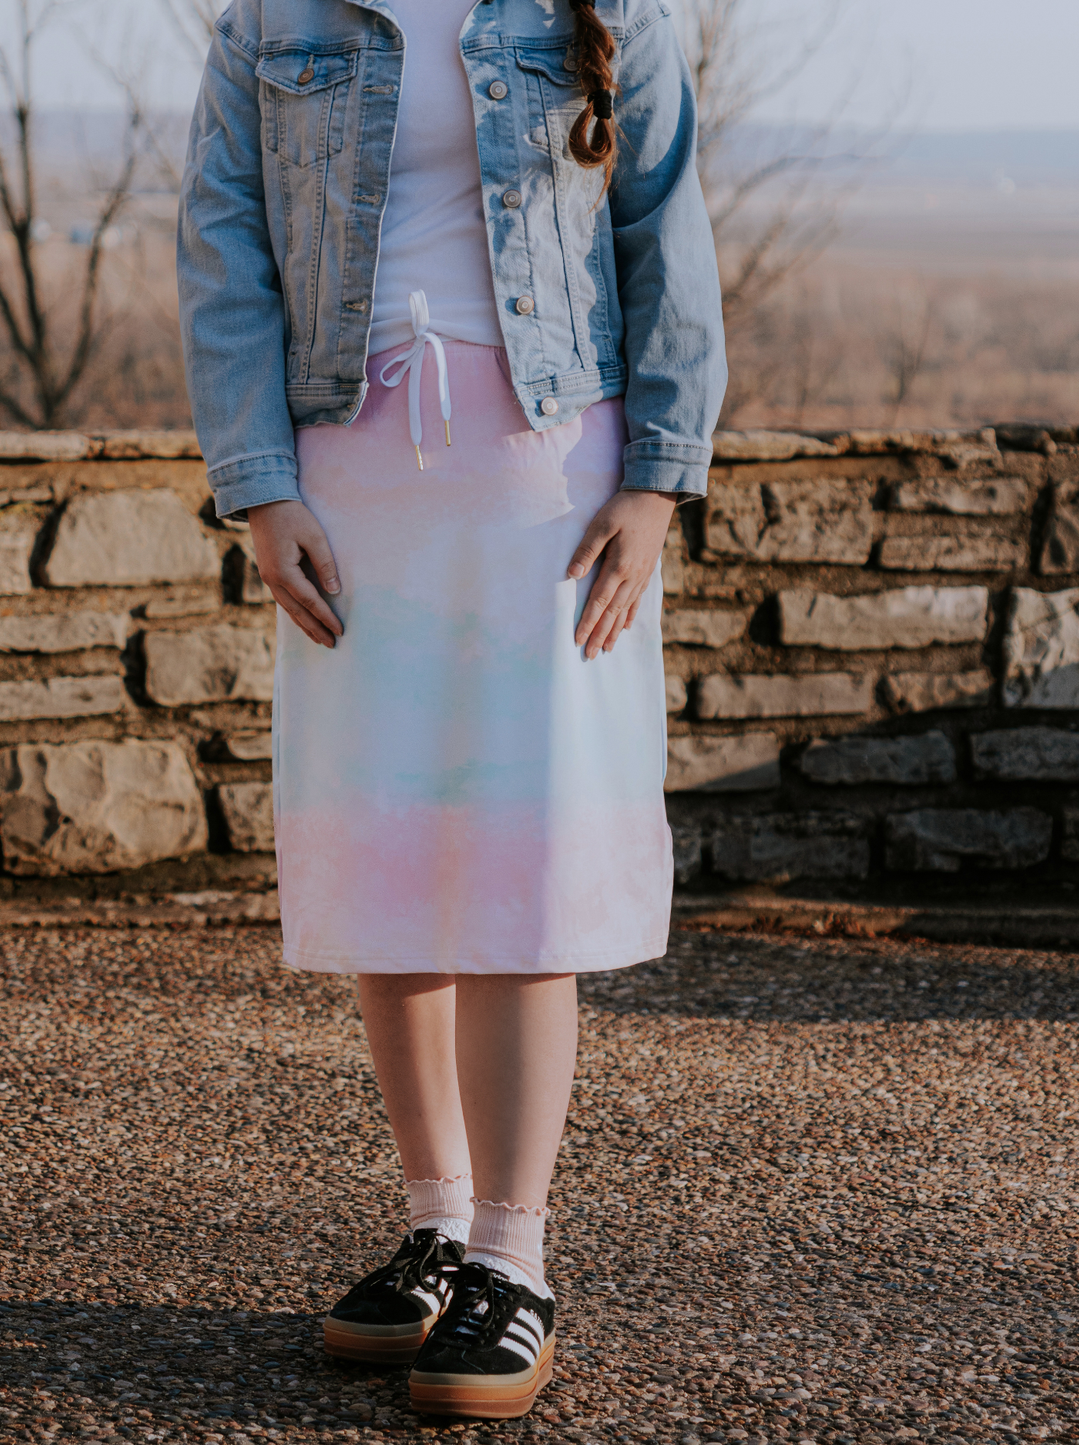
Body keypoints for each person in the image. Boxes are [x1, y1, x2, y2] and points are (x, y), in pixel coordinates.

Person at [178, 0, 725, 1420]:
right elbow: (222, 247)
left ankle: (514, 1256)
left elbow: (669, 233)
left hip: (545, 490)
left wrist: (660, 481)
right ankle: (434, 1228)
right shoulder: (272, 22)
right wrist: (258, 484)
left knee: (518, 863)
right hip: (352, 492)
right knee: (390, 857)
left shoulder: (601, 10)